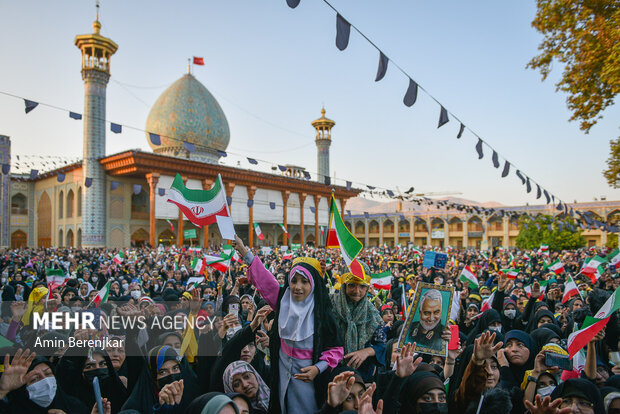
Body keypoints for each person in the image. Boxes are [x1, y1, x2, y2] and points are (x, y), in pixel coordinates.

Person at [234, 235, 343, 413]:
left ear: (313, 284)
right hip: (283, 378)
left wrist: (317, 368)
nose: (297, 287)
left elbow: (336, 350)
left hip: (308, 381)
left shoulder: (322, 314)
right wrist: (244, 251)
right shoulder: (283, 302)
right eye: (294, 281)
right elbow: (264, 279)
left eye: (304, 281)